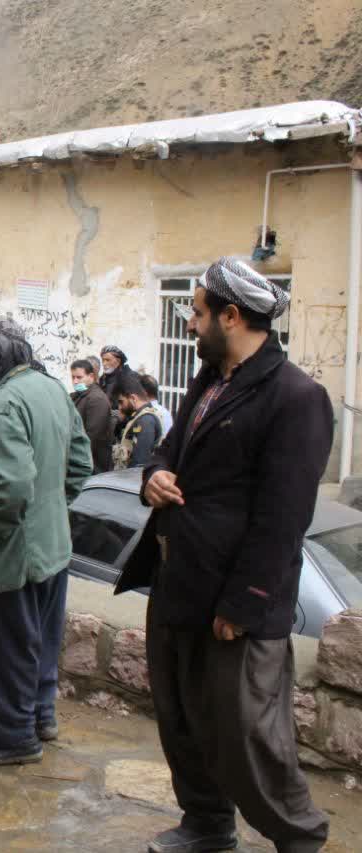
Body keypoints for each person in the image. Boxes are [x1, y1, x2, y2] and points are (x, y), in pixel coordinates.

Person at [118, 257, 332, 853]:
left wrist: (245, 602)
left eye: (197, 312)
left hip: (236, 605)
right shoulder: (208, 383)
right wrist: (154, 477)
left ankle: (301, 837)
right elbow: (166, 452)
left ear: (231, 317)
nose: (190, 324)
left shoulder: (297, 398)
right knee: (180, 718)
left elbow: (284, 518)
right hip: (178, 583)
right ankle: (206, 824)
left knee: (248, 734)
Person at [0, 318, 92, 766]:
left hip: (9, 555)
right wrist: (49, 509)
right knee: (43, 638)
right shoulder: (53, 389)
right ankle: (41, 718)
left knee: (6, 645)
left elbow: (10, 487)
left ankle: (15, 738)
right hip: (52, 546)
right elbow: (80, 464)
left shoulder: (7, 400)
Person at [70, 358, 114, 473]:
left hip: (92, 465)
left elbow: (92, 436)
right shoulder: (78, 396)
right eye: (73, 377)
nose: (75, 381)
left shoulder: (96, 399)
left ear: (91, 376)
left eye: (79, 377)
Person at [113, 377, 163, 470]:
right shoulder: (138, 417)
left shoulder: (146, 421)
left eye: (121, 402)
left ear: (133, 398)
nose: (119, 407)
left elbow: (140, 462)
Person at [99, 345, 138, 423]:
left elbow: (132, 406)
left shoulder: (130, 378)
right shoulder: (103, 379)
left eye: (107, 360)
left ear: (118, 361)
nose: (104, 364)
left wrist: (113, 414)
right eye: (103, 360)